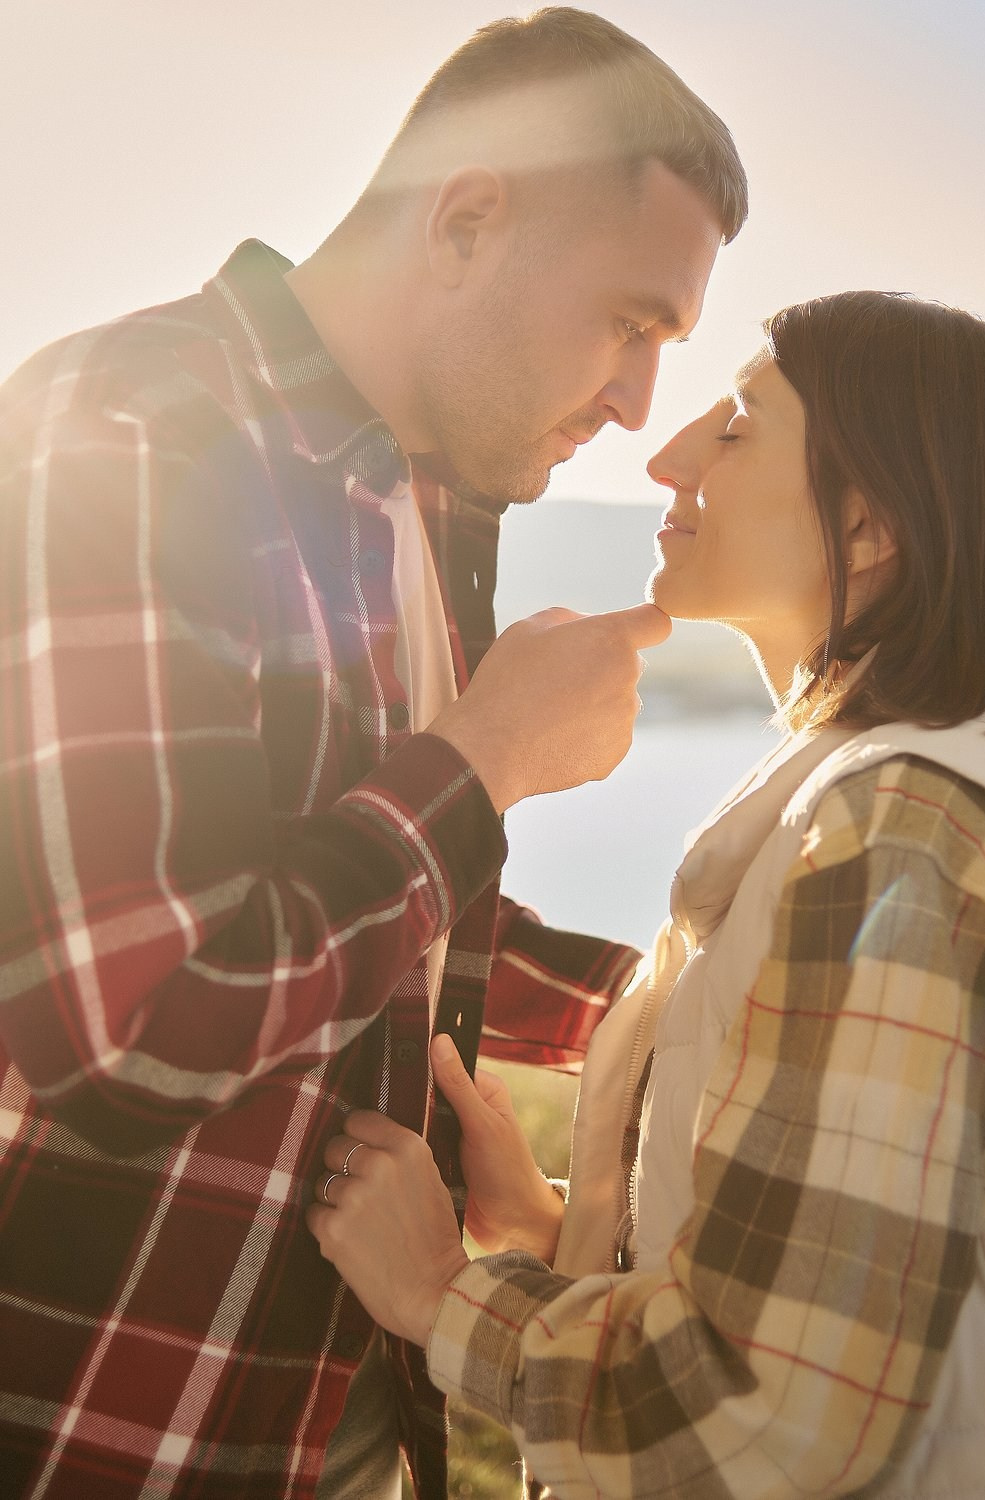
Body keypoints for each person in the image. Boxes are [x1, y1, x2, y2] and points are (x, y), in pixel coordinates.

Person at [0, 10, 748, 1498]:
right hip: (109, 1429)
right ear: (466, 224)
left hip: (334, 1420)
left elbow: (378, 915)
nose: (637, 406)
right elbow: (132, 1027)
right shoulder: (130, 429)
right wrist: (485, 760)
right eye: (631, 324)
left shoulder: (428, 499)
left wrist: (694, 1007)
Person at [309, 290, 985, 1498]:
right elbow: (896, 1296)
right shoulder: (953, 803)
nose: (667, 455)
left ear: (869, 527)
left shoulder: (904, 837)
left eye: (736, 429)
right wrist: (571, 1231)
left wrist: (442, 1293)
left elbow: (766, 1414)